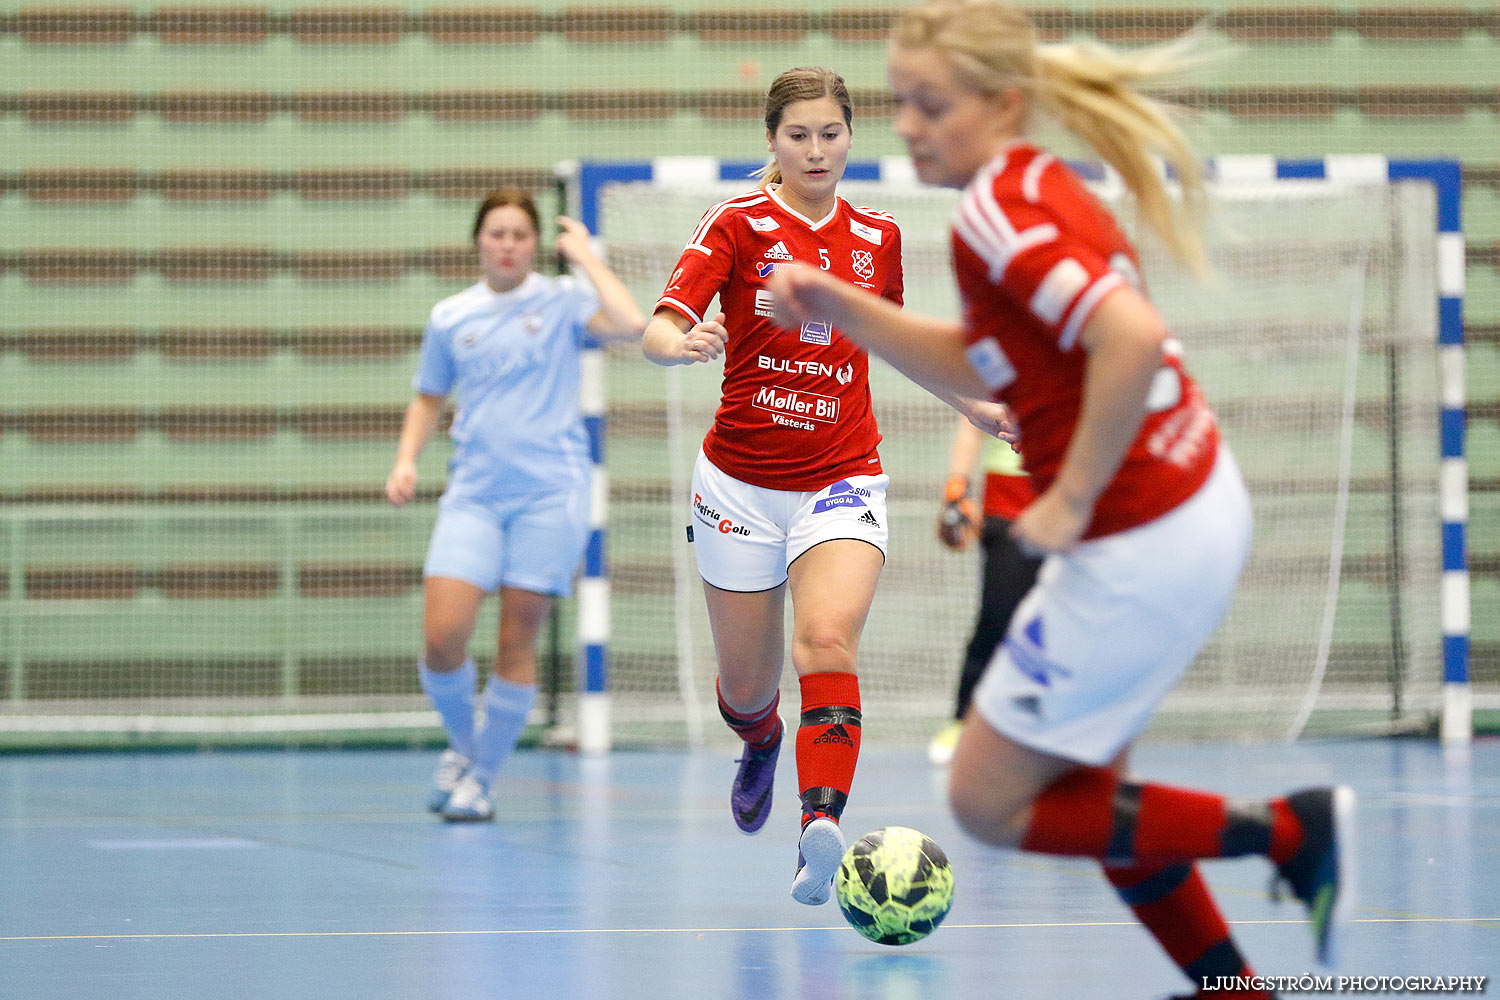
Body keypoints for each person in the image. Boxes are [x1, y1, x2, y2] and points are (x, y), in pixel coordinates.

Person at [765, 3, 1353, 994]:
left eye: (931, 104)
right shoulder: (1025, 188)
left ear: (1004, 104)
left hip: (1142, 534)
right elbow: (989, 360)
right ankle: (1232, 983)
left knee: (988, 798)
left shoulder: (998, 211)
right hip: (1191, 501)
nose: (907, 125)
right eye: (903, 101)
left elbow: (1124, 333)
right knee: (1093, 793)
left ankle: (1293, 829)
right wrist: (837, 303)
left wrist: (1071, 497)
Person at [640, 66, 904, 905]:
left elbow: (897, 341)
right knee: (749, 688)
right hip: (740, 487)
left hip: (842, 475)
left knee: (826, 641)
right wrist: (674, 343)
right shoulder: (739, 223)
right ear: (772, 142)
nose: (816, 150)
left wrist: (978, 403)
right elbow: (659, 325)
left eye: (831, 133)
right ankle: (759, 740)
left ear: (851, 136)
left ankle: (818, 827)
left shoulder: (879, 237)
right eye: (799, 135)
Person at [387, 189, 646, 822]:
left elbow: (634, 323)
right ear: (479, 240)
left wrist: (585, 256)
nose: (508, 244)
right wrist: (406, 459)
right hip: (473, 495)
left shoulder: (561, 302)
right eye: (497, 233)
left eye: (520, 235)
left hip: (550, 495)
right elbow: (428, 396)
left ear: (535, 245)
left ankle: (482, 780)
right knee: (442, 638)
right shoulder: (450, 316)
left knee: (516, 640)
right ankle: (466, 746)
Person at [929, 418, 1041, 765]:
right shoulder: (1000, 362)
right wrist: (957, 488)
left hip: (1071, 491)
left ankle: (1052, 731)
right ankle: (964, 719)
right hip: (1009, 499)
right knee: (997, 615)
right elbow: (971, 419)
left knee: (1068, 624)